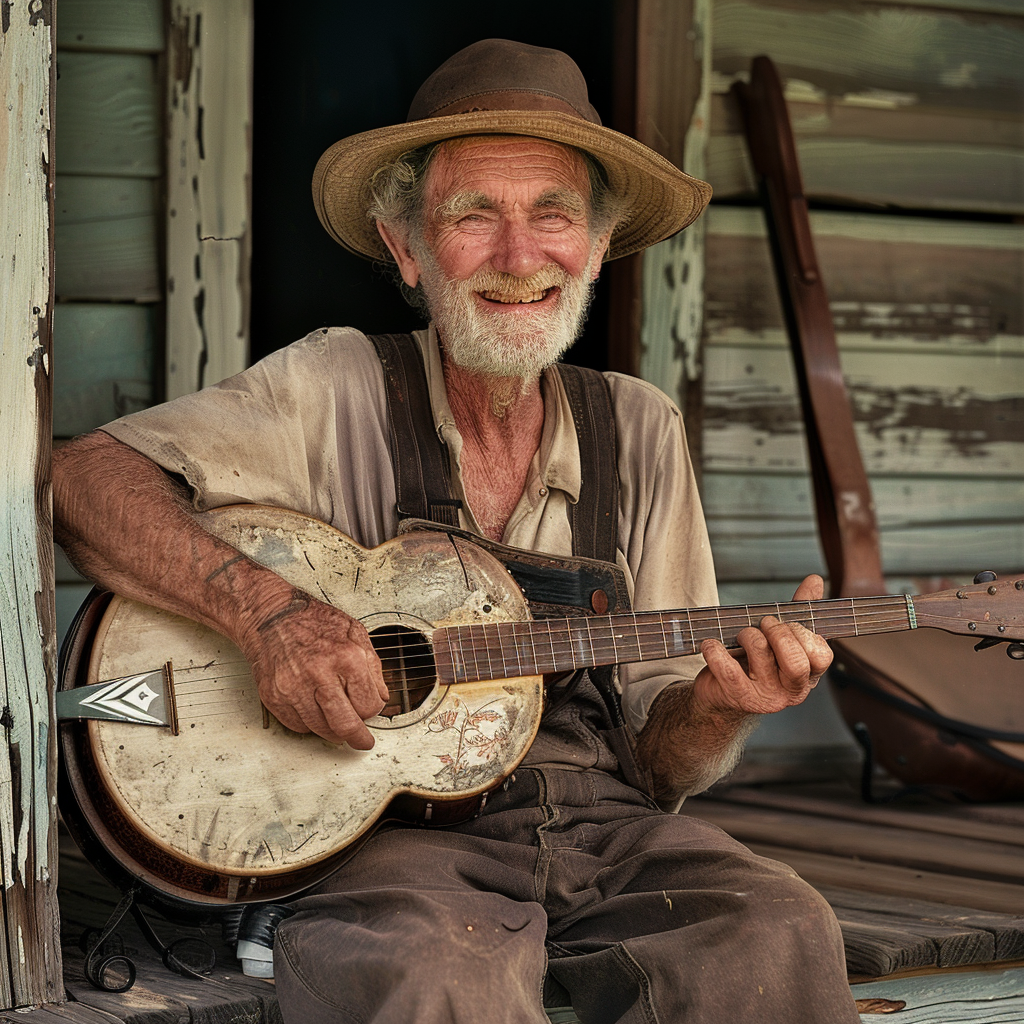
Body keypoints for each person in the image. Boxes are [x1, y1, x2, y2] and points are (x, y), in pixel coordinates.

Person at [53, 38, 861, 1024]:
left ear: (597, 247)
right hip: (389, 842)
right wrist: (267, 614)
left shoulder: (638, 426)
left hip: (608, 825)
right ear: (408, 248)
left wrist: (724, 707)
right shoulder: (332, 384)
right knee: (440, 970)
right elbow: (84, 480)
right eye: (473, 214)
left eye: (552, 214)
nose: (519, 258)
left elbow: (658, 764)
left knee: (776, 927)